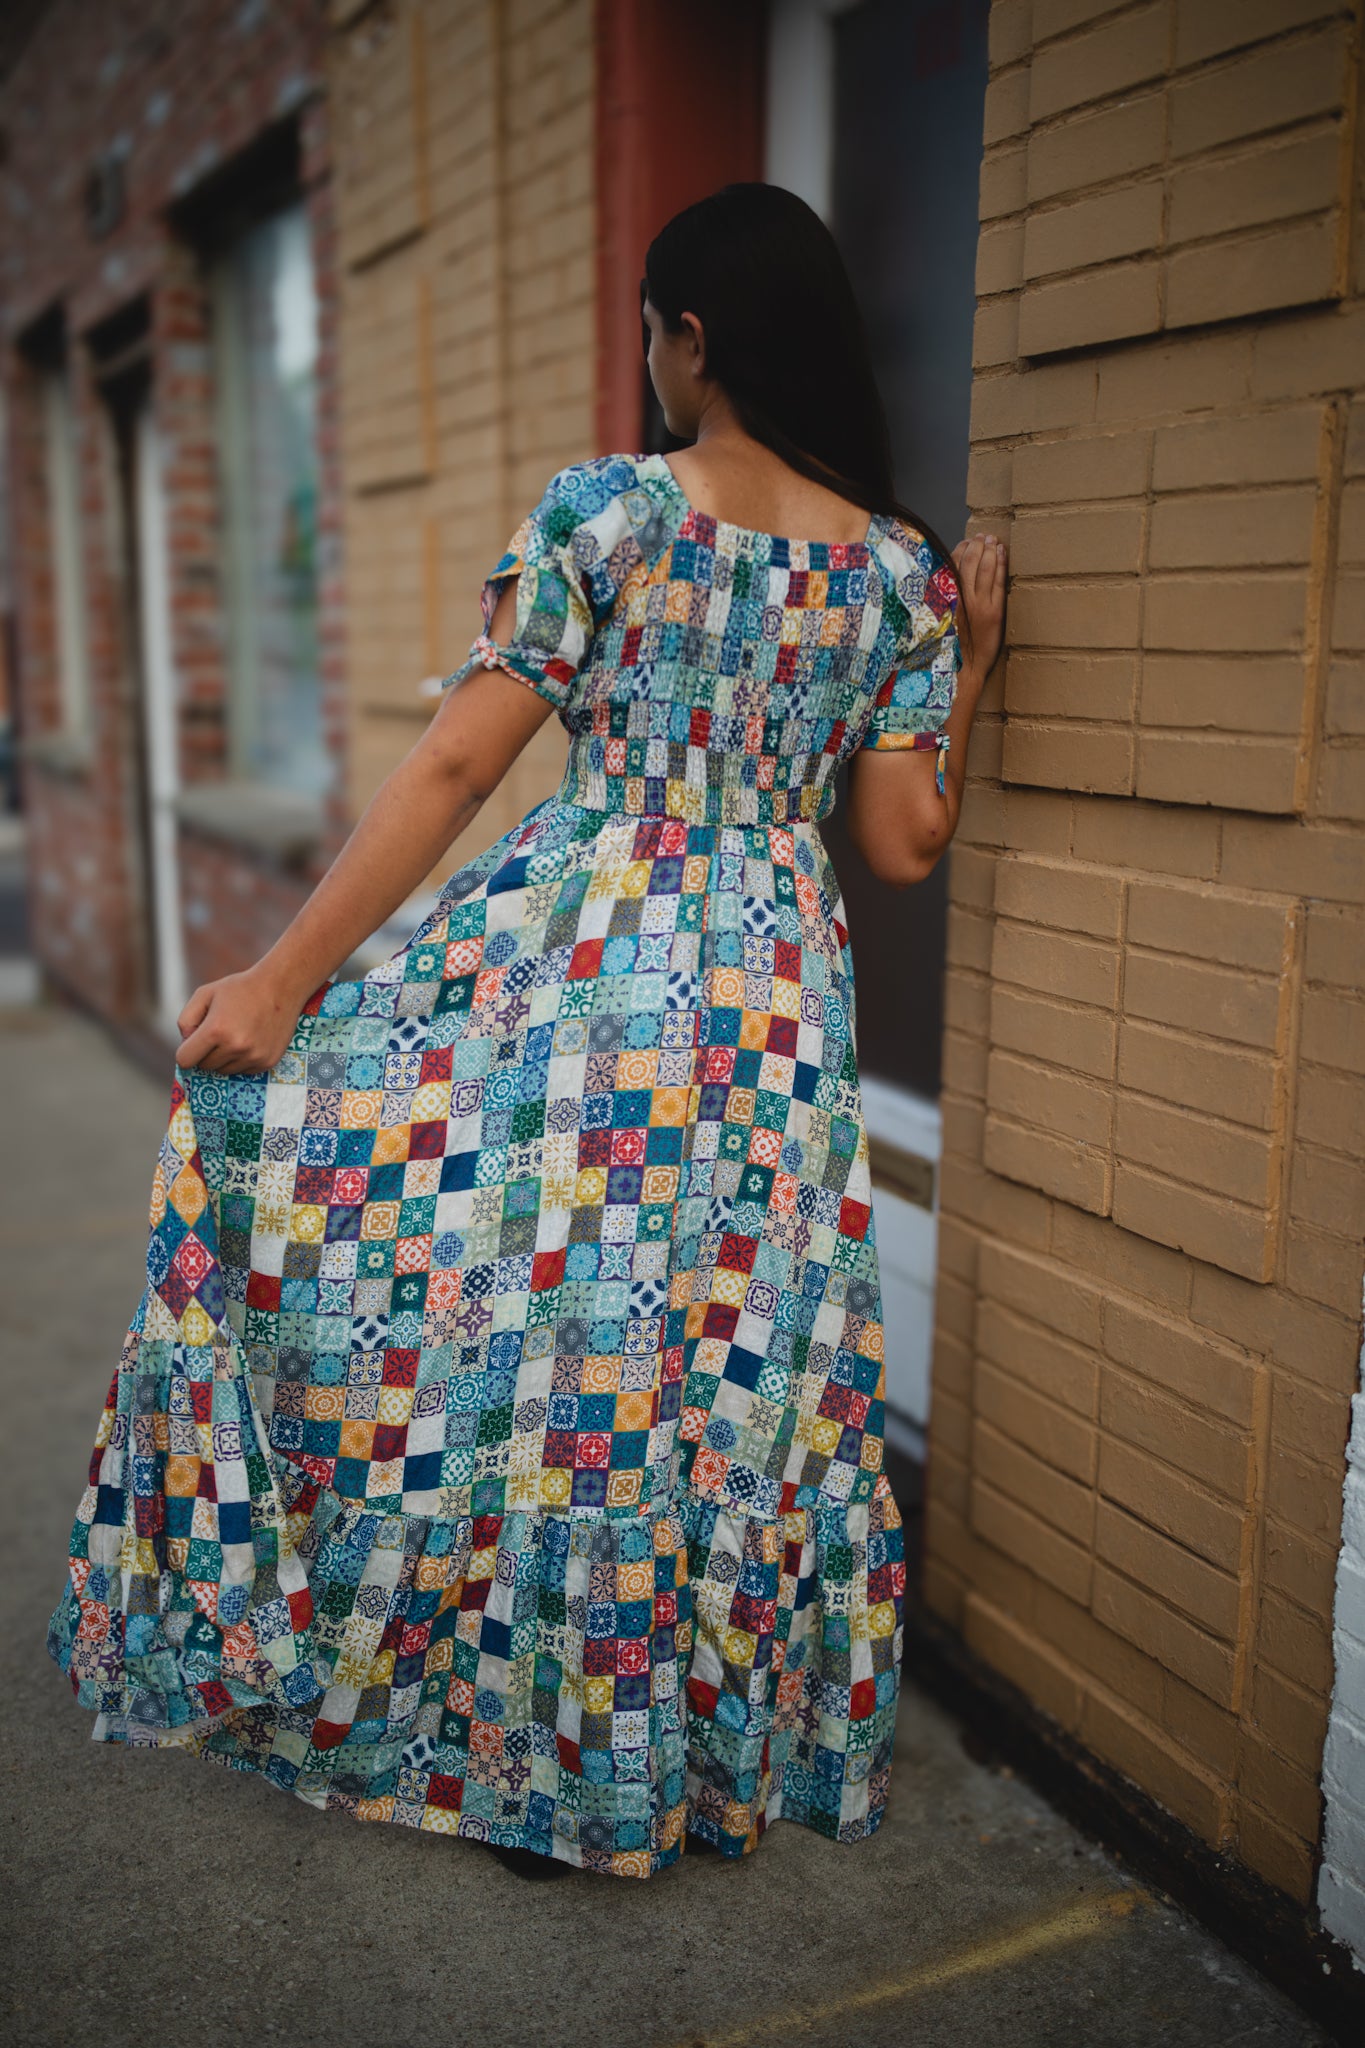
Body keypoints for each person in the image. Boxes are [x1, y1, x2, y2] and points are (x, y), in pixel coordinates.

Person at [47, 182, 1006, 1881]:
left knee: (561, 1357)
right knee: (737, 1367)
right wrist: (968, 675)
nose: (647, 365)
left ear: (694, 338)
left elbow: (454, 768)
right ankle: (701, 1757)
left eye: (654, 333)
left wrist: (278, 982)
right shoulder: (895, 578)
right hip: (776, 1004)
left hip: (599, 977)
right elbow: (904, 847)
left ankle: (553, 1756)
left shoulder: (612, 519)